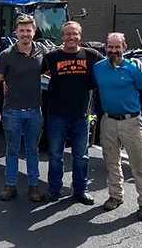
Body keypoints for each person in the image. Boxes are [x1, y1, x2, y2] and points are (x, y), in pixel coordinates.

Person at [41, 21, 104, 205]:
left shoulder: (91, 55)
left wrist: (132, 61)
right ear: (62, 36)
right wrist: (7, 80)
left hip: (81, 116)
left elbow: (112, 66)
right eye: (67, 34)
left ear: (80, 36)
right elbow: (30, 73)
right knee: (55, 155)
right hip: (57, 115)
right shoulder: (51, 57)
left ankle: (81, 189)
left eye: (74, 34)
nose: (71, 37)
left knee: (81, 156)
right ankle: (54, 189)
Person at [0, 15, 48, 202]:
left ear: (34, 31)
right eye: (21, 30)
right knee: (12, 150)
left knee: (32, 150)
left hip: (34, 112)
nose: (25, 34)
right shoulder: (6, 55)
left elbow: (56, 64)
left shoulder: (42, 51)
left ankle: (33, 186)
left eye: (28, 30)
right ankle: (10, 185)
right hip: (12, 112)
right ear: (16, 32)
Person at [93, 32, 142, 221]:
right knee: (110, 161)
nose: (114, 50)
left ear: (124, 47)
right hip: (108, 121)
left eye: (118, 46)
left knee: (139, 165)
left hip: (131, 122)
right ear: (105, 47)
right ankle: (115, 196)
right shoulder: (98, 68)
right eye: (110, 47)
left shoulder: (135, 68)